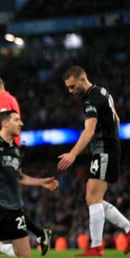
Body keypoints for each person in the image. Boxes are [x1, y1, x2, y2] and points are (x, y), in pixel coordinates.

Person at [0, 73, 52, 256]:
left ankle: (0, 243)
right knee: (8, 201)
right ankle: (34, 234)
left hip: (2, 154)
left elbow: (3, 129)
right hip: (7, 153)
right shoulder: (9, 100)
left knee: (4, 200)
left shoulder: (2, 101)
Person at [57, 65, 130, 256]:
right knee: (93, 198)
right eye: (68, 88)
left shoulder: (92, 98)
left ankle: (97, 247)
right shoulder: (103, 93)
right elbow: (117, 119)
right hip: (107, 148)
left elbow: (89, 130)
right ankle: (128, 230)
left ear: (83, 79)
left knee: (93, 197)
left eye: (72, 87)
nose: (70, 91)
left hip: (104, 150)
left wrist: (72, 154)